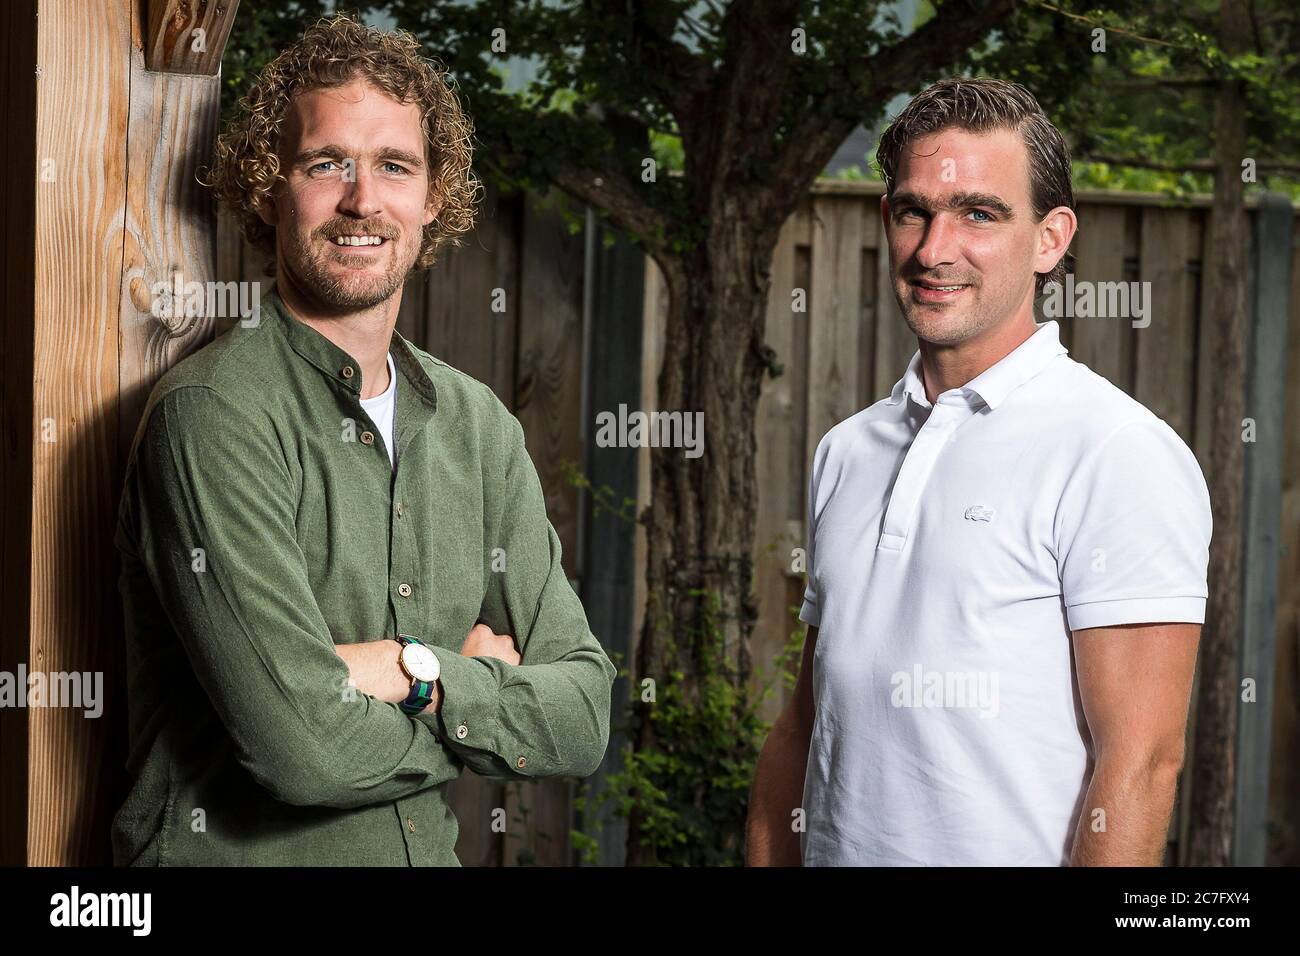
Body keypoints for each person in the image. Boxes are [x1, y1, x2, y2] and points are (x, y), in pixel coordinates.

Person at [112, 15, 615, 866]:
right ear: (270, 189)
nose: (362, 201)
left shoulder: (479, 426)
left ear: (431, 198)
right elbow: (299, 747)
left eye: (393, 166)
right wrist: (467, 687)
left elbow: (582, 717)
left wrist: (407, 669)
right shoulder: (213, 416)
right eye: (325, 164)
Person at [746, 77, 1211, 866]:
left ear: (1051, 238)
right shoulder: (847, 451)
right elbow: (807, 720)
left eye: (979, 214)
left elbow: (1138, 766)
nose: (934, 251)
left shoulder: (1116, 451)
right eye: (913, 211)